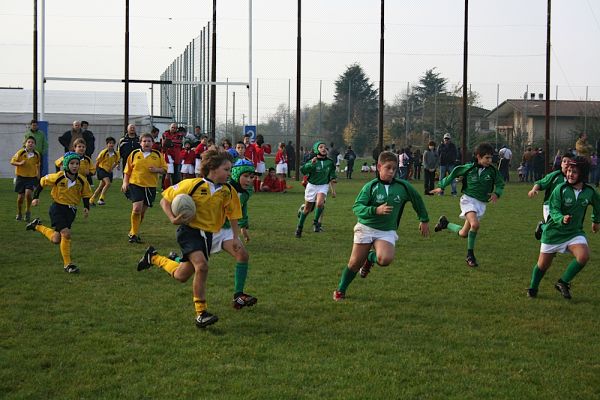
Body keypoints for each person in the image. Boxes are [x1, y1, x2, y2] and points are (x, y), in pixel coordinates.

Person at [135, 150, 242, 328]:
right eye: (226, 169)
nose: (229, 174)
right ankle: (201, 313)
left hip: (207, 236)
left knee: (181, 275)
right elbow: (165, 200)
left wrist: (236, 237)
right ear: (212, 168)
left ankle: (153, 258)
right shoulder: (192, 184)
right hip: (189, 232)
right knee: (202, 266)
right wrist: (172, 218)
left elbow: (233, 215)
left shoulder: (228, 191)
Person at [332, 151, 430, 301]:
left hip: (386, 231)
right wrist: (375, 210)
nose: (391, 172)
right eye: (388, 168)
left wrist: (423, 219)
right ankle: (340, 290)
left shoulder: (403, 186)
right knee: (354, 264)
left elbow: (417, 199)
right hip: (365, 228)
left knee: (385, 260)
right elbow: (357, 207)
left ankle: (370, 257)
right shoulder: (370, 187)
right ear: (379, 167)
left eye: (394, 168)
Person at [526, 156, 600, 299]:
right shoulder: (560, 189)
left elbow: (598, 206)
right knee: (542, 266)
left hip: (574, 233)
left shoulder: (589, 192)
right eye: (569, 171)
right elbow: (553, 210)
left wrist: (596, 221)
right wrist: (562, 219)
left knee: (583, 256)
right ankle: (533, 288)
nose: (570, 174)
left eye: (574, 172)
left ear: (583, 175)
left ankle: (563, 282)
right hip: (553, 233)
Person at [431, 142, 505, 268]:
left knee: (464, 233)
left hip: (481, 204)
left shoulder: (492, 171)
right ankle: (470, 255)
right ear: (478, 156)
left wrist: (496, 194)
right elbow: (454, 173)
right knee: (475, 225)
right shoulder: (469, 168)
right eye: (487, 157)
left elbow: (500, 183)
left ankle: (445, 223)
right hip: (468, 200)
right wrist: (441, 186)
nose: (489, 160)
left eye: (491, 157)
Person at [26, 152, 92, 274]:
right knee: (66, 234)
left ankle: (36, 226)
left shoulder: (82, 180)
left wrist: (86, 207)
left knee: (56, 239)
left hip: (71, 211)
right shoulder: (58, 177)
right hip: (57, 208)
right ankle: (68, 265)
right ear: (66, 165)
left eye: (77, 163)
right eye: (72, 163)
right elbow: (42, 182)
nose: (75, 166)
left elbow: (86, 194)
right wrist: (36, 197)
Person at [121, 133, 168, 243]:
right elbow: (127, 171)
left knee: (141, 212)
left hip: (150, 186)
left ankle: (134, 232)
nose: (146, 143)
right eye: (144, 141)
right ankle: (133, 235)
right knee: (137, 208)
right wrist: (125, 182)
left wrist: (157, 170)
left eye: (149, 141)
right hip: (135, 184)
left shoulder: (158, 155)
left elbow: (165, 169)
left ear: (152, 143)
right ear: (140, 143)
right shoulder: (134, 154)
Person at [295, 141, 337, 238]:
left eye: (324, 147)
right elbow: (303, 170)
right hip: (312, 186)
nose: (323, 149)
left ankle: (316, 223)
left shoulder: (330, 162)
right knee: (307, 210)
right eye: (320, 147)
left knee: (320, 203)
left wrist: (333, 189)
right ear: (316, 150)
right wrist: (311, 164)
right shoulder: (312, 161)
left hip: (323, 185)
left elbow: (332, 175)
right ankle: (299, 227)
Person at [528, 152, 573, 240]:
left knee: (561, 228)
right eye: (564, 161)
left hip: (564, 206)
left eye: (569, 162)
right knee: (552, 227)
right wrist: (534, 189)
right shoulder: (555, 175)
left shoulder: (574, 178)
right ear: (561, 164)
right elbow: (540, 183)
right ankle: (542, 227)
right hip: (549, 205)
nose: (567, 163)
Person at [11, 136, 41, 222]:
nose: (30, 144)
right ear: (25, 144)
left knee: (28, 194)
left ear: (35, 145)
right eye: (29, 142)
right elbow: (12, 161)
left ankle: (28, 211)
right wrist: (19, 163)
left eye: (32, 142)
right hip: (21, 177)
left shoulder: (37, 154)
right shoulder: (20, 152)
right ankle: (19, 213)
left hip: (31, 177)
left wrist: (38, 174)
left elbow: (38, 164)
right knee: (20, 198)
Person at [90, 137, 120, 206]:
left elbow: (117, 162)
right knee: (108, 183)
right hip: (101, 169)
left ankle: (91, 200)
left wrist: (112, 168)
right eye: (109, 143)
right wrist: (95, 170)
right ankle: (101, 199)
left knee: (101, 187)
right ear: (107, 144)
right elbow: (98, 162)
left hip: (108, 171)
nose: (111, 144)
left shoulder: (116, 153)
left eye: (112, 143)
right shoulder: (104, 152)